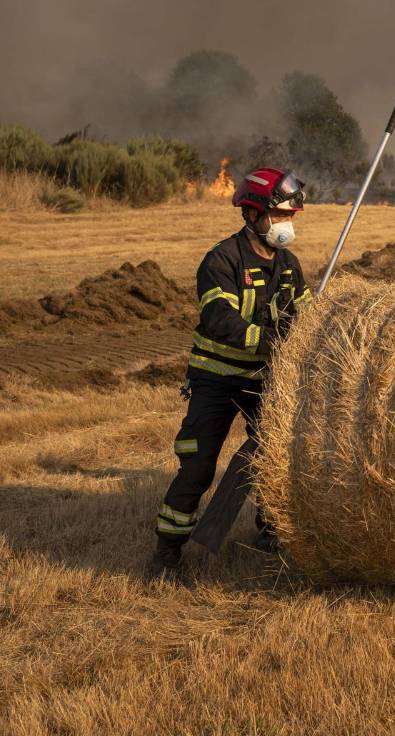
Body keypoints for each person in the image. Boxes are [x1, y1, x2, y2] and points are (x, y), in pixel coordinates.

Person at [149, 167, 313, 577]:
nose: (286, 224)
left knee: (274, 459)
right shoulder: (220, 261)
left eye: (290, 217)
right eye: (279, 216)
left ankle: (270, 532)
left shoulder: (289, 266)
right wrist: (273, 336)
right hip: (217, 379)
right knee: (198, 466)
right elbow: (220, 319)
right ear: (252, 215)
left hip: (264, 380)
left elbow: (309, 315)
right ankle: (167, 554)